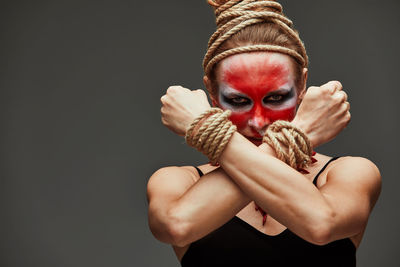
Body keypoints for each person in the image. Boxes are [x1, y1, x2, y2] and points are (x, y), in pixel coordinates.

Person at [147, 1, 381, 266]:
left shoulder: (349, 172)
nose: (258, 122)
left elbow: (321, 223)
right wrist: (299, 133)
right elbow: (178, 226)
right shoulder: (178, 181)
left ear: (302, 84)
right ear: (211, 92)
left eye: (276, 97)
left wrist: (205, 129)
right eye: (237, 101)